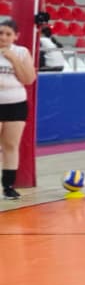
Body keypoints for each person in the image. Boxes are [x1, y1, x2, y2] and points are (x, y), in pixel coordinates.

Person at [0, 17, 39, 200]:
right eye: (0, 33)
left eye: (8, 34)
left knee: (11, 145)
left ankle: (8, 186)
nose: (3, 37)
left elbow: (28, 79)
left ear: (16, 36)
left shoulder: (22, 52)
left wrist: (14, 59)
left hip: (16, 103)